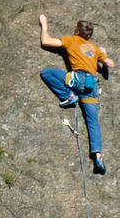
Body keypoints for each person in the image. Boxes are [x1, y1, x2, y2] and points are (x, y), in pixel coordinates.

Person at [38, 14, 115, 175]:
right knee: (93, 122)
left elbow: (46, 42)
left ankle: (69, 96)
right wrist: (104, 55)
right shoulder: (94, 48)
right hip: (91, 86)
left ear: (77, 32)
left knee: (47, 73)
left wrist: (44, 24)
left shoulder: (72, 40)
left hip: (77, 79)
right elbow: (110, 64)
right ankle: (98, 156)